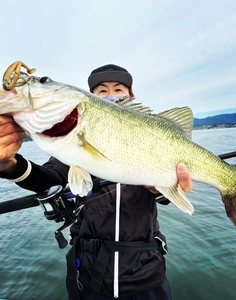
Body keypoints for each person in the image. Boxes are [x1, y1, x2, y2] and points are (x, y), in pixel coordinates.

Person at [0, 64, 192, 300]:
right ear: (91, 97)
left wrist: (160, 187)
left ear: (131, 96)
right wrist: (8, 164)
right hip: (89, 275)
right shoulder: (69, 146)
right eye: (101, 90)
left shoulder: (151, 138)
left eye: (119, 89)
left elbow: (162, 196)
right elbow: (47, 179)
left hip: (146, 273)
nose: (111, 94)